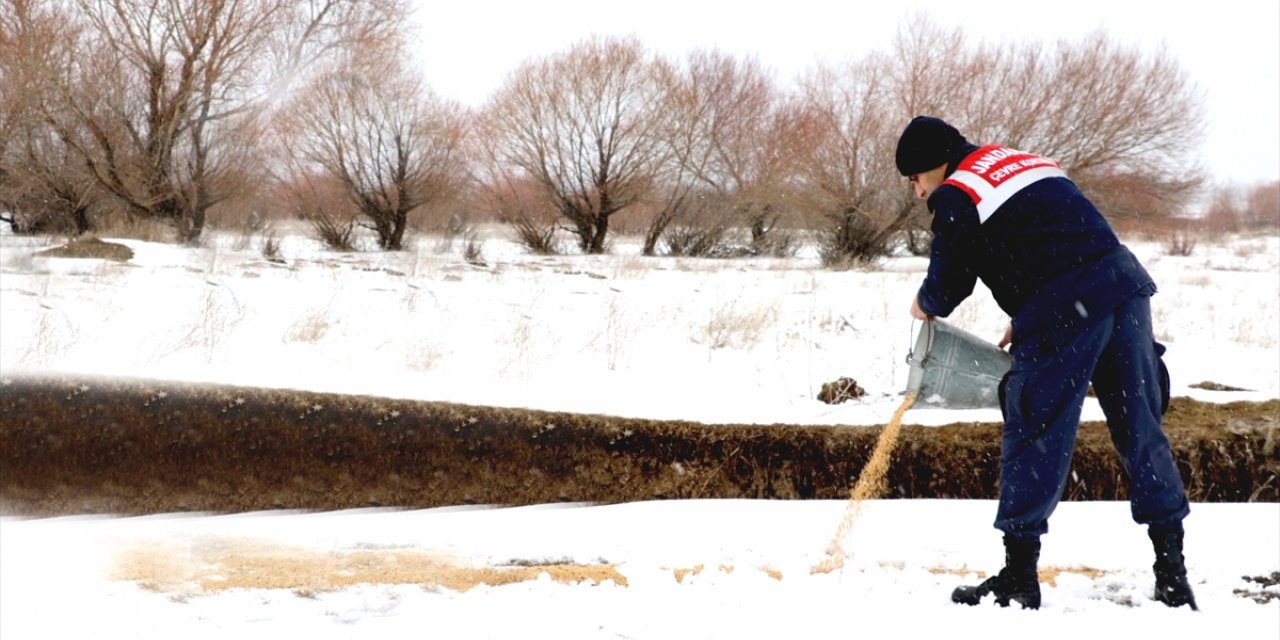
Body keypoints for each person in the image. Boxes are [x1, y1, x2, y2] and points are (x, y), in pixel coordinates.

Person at [896, 116, 1196, 611]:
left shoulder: (957, 191)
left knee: (1034, 427)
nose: (917, 191)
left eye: (915, 179)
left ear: (933, 166)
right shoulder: (1020, 160)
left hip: (1066, 308)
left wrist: (924, 303)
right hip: (1121, 287)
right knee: (1140, 426)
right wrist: (1028, 309)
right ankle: (1172, 571)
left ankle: (1018, 576)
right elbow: (1055, 235)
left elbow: (949, 285)